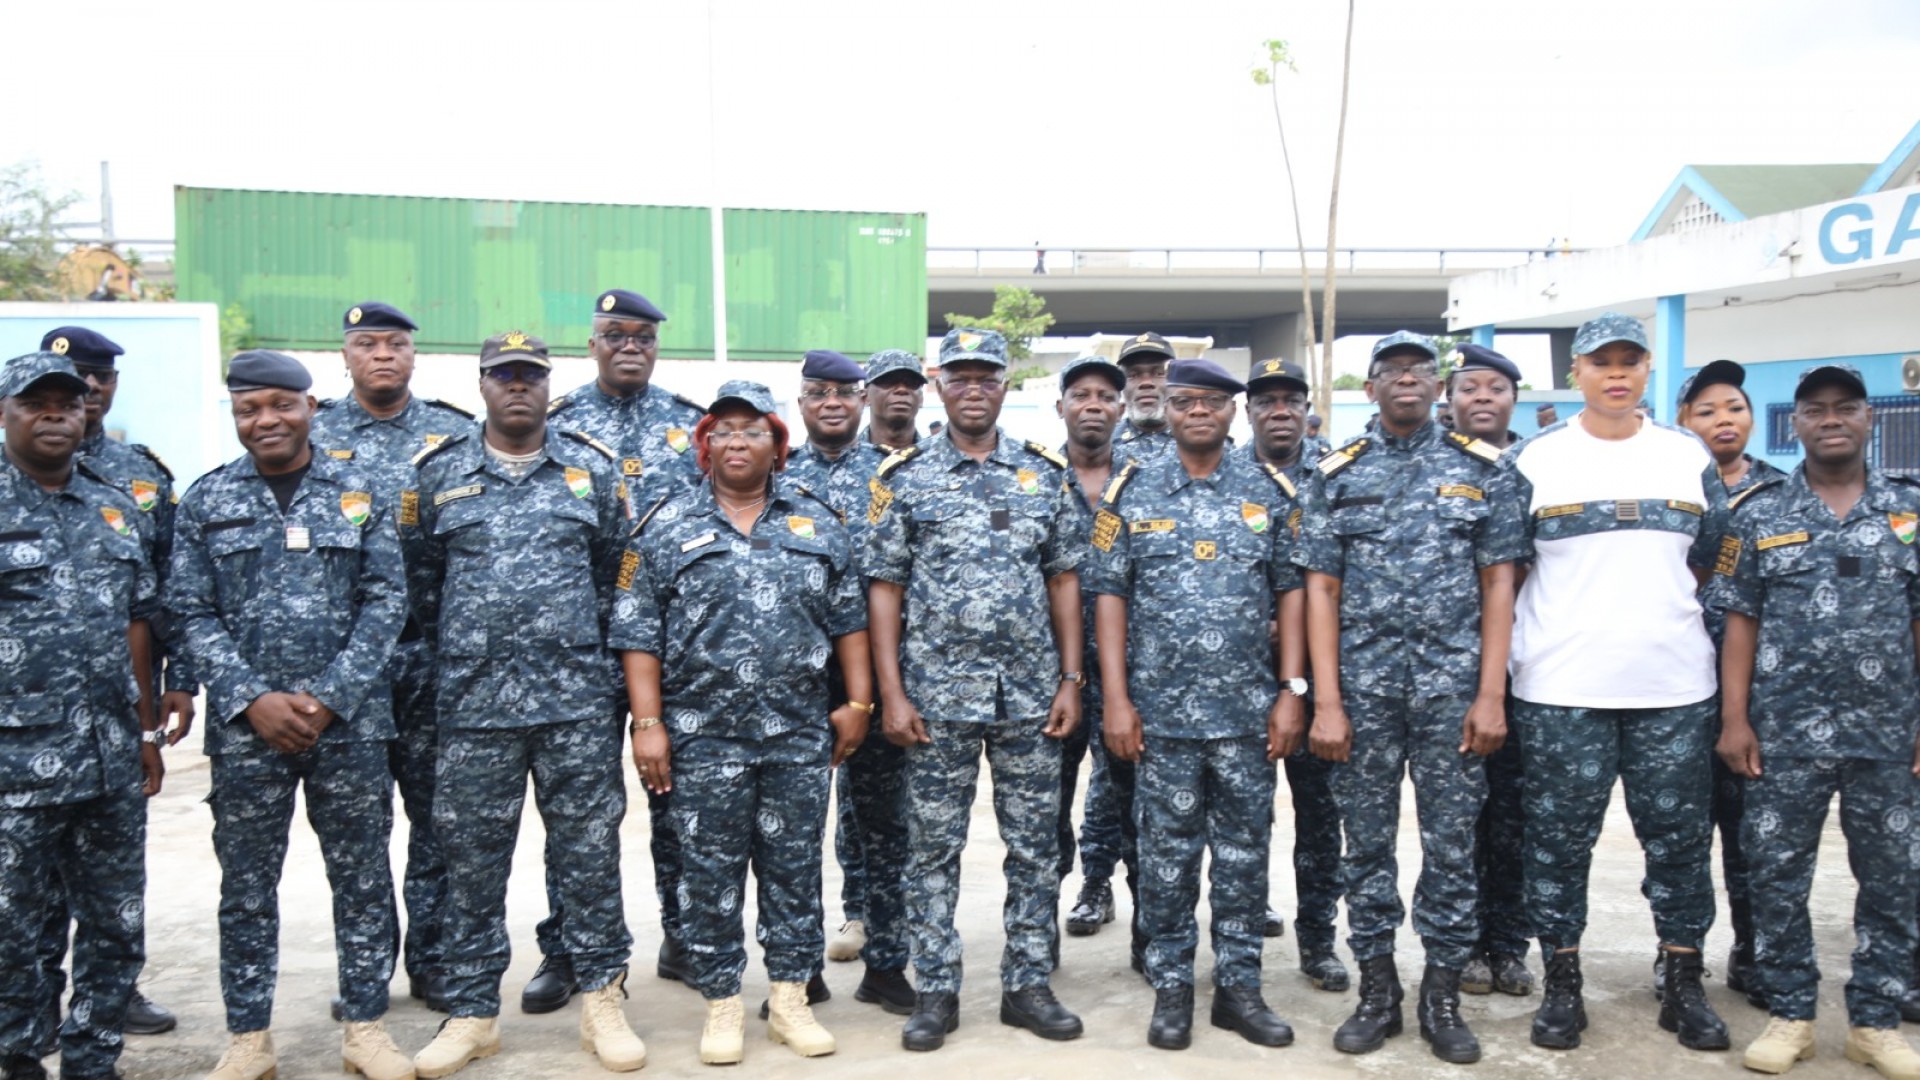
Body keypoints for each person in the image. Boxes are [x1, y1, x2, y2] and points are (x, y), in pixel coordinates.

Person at [402, 332, 644, 1077]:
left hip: (575, 706)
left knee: (590, 859)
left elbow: (620, 575)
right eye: (503, 376)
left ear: (548, 386)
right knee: (471, 866)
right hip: (474, 710)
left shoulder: (592, 471)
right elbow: (421, 589)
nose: (517, 387)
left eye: (530, 376)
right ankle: (472, 1011)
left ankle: (603, 1000)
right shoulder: (437, 475)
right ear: (481, 384)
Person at [168, 349, 411, 1080]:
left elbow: (388, 600)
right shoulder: (207, 501)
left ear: (311, 407)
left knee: (363, 880)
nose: (266, 419)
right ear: (235, 416)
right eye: (249, 409)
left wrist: (333, 695)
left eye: (281, 404)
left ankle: (366, 1026)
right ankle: (249, 1037)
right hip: (249, 735)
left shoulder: (358, 493)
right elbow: (189, 609)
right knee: (245, 888)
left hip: (351, 726)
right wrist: (251, 697)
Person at [1492, 312, 1730, 1053]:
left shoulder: (1685, 457)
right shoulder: (1534, 461)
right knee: (1559, 844)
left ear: (1648, 370)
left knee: (1681, 843)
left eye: (1631, 361)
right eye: (1602, 362)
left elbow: (1711, 559)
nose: (1617, 374)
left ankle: (1682, 978)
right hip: (1562, 688)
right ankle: (1563, 979)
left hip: (1674, 688)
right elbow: (1505, 575)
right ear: (1577, 374)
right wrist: (1495, 682)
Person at [616, 379, 871, 1065]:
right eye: (723, 431)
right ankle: (722, 1004)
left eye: (753, 430)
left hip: (796, 732)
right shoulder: (664, 525)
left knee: (793, 870)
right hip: (703, 736)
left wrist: (859, 702)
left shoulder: (818, 524)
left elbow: (850, 621)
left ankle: (789, 999)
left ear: (777, 446)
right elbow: (638, 632)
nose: (737, 441)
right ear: (704, 447)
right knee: (710, 873)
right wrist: (647, 723)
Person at [1296, 330, 1521, 1064]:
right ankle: (1379, 990)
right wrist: (1326, 701)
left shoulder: (1482, 471)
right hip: (1362, 697)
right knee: (1367, 849)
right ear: (1371, 389)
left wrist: (1491, 694)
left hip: (1453, 695)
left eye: (1419, 370)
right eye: (1390, 371)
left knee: (1451, 848)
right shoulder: (1335, 472)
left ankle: (1443, 996)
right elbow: (1320, 590)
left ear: (1439, 386)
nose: (1405, 381)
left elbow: (1499, 588)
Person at [866, 327, 1085, 1052]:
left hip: (1027, 696)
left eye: (986, 375)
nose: (973, 387)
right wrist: (891, 694)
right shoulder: (904, 479)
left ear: (1003, 386)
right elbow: (885, 591)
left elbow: (1063, 579)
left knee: (1033, 847)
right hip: (935, 699)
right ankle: (935, 988)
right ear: (939, 385)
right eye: (959, 376)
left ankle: (1027, 983)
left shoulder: (1041, 475)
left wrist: (1070, 677)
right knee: (932, 849)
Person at [1711, 363, 1920, 1078]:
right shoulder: (1759, 515)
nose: (1831, 419)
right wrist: (1734, 720)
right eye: (1815, 410)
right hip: (1784, 734)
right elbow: (1739, 621)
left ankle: (1876, 1022)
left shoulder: (1910, 511)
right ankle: (1791, 1013)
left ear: (1870, 419)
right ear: (1796, 424)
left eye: (1846, 408)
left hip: (1887, 733)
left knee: (1893, 878)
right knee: (1776, 877)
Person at [1089, 358, 1301, 1051]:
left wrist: (1291, 691)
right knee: (1167, 858)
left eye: (1213, 401)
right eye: (1186, 401)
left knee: (1245, 855)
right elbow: (1109, 598)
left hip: (1246, 714)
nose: (1199, 411)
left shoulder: (1269, 490)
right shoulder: (1132, 490)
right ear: (1169, 410)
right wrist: (1116, 700)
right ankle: (1173, 985)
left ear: (1233, 411)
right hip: (1161, 717)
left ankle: (1239, 988)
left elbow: (1292, 593)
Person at [310, 302, 478, 1016]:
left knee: (437, 819)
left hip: (427, 655)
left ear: (415, 355)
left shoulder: (454, 434)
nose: (383, 355)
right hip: (347, 667)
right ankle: (367, 967)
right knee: (358, 827)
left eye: (396, 344)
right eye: (367, 344)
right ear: (345, 355)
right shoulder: (313, 435)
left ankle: (434, 960)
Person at [0, 351, 163, 1080]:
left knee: (114, 922)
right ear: (6, 412)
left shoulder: (114, 504)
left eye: (68, 402)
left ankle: (94, 1057)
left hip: (109, 756)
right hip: (14, 761)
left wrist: (147, 727)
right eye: (37, 402)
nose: (56, 413)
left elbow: (140, 618)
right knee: (12, 924)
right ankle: (20, 1051)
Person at [546, 289, 706, 1000]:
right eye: (615, 333)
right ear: (592, 345)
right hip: (578, 646)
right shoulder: (558, 425)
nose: (629, 345)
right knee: (577, 806)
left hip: (671, 646)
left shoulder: (690, 425)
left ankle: (685, 934)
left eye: (642, 334)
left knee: (678, 799)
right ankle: (569, 950)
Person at [31, 326, 182, 1044]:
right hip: (18, 739)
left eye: (95, 382)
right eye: (62, 386)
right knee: (21, 900)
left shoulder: (134, 484)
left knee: (113, 890)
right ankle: (25, 1033)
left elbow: (155, 606)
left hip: (114, 729)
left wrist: (154, 716)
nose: (82, 397)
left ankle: (107, 1014)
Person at [783, 350, 912, 1015]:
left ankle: (888, 965)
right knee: (793, 830)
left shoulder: (894, 475)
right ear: (800, 403)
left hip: (882, 675)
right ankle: (798, 968)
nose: (831, 402)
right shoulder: (778, 476)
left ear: (862, 402)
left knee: (888, 827)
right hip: (799, 682)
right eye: (817, 392)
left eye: (843, 392)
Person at [1675, 357, 1785, 1009]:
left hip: (1759, 696)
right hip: (1682, 688)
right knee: (1684, 834)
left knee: (1753, 832)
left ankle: (1755, 950)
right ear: (1686, 421)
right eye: (1707, 409)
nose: (1724, 419)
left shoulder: (1781, 493)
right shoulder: (1674, 490)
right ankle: (1681, 959)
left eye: (1735, 407)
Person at [1242, 357, 1349, 994]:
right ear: (1248, 411)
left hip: (1321, 679)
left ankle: (1319, 940)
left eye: (1290, 400)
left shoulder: (1336, 475)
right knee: (1246, 819)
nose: (1279, 411)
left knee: (1320, 817)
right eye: (1266, 401)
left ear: (1307, 409)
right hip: (1242, 682)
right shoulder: (1226, 478)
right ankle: (1243, 924)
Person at [1444, 344, 1535, 999]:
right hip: (1451, 673)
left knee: (1518, 816)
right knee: (1462, 819)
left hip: (1534, 670)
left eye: (1495, 387)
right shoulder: (1435, 466)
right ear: (1450, 398)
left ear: (1513, 398)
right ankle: (1468, 944)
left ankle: (1510, 944)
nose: (1482, 397)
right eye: (1469, 387)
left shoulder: (1543, 467)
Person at [1054, 358, 1137, 951]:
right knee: (1045, 802)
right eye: (1079, 394)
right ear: (1061, 406)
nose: (1092, 404)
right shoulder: (1031, 476)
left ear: (1120, 410)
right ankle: (1042, 916)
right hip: (1050, 671)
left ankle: (1108, 889)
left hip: (1130, 670)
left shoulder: (1147, 479)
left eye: (1105, 396)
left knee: (1127, 793)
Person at [1115, 333, 1175, 455]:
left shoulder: (1199, 441)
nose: (1146, 383)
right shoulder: (1104, 446)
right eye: (1133, 375)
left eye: (1159, 373)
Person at [862, 350, 926, 453]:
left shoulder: (941, 460)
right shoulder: (841, 460)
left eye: (911, 383)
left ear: (921, 399)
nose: (902, 390)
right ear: (865, 397)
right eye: (888, 381)